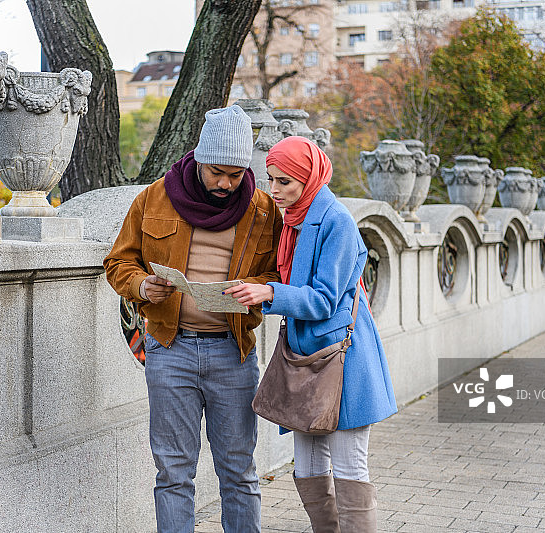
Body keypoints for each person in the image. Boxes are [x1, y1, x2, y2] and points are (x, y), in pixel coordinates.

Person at [103, 104, 283, 533]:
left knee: (239, 471)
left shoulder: (261, 209)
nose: (225, 183)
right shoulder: (154, 197)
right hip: (170, 349)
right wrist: (144, 286)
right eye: (217, 172)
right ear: (200, 158)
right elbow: (118, 263)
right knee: (173, 471)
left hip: (233, 354)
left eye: (236, 175)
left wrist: (256, 287)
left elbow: (280, 273)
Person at [226, 135, 397, 532]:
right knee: (306, 466)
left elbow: (323, 300)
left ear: (308, 177)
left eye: (284, 181)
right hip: (304, 361)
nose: (275, 190)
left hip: (342, 359)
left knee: (350, 465)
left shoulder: (336, 221)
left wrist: (269, 292)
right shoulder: (294, 222)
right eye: (270, 179)